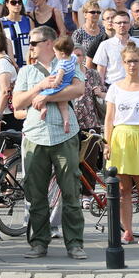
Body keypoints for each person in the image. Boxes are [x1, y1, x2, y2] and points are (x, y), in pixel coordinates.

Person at [13, 25, 86, 259]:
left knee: (71, 192)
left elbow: (78, 90)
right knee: (36, 194)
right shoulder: (26, 71)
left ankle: (74, 243)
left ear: (48, 43)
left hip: (64, 135)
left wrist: (47, 97)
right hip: (35, 136)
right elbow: (18, 103)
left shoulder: (68, 63)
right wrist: (40, 87)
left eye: (33, 43)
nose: (30, 47)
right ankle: (39, 242)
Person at [103, 42, 139, 245]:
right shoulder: (115, 88)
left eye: (135, 61)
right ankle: (127, 230)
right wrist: (107, 143)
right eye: (128, 61)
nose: (132, 65)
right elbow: (109, 118)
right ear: (122, 63)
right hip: (120, 138)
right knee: (123, 190)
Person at [93, 10, 139, 84]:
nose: (122, 25)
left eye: (125, 22)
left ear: (130, 24)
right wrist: (102, 88)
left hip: (136, 86)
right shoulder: (105, 45)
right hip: (113, 86)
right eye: (119, 23)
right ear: (113, 25)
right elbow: (101, 70)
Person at [36, 36, 77, 133]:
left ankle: (43, 108)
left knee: (41, 95)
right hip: (67, 84)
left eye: (56, 52)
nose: (55, 55)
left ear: (62, 54)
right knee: (63, 105)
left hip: (60, 85)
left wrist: (54, 83)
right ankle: (66, 121)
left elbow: (59, 76)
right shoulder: (73, 58)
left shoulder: (62, 64)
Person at [2, 0, 34, 67]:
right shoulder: (1, 22)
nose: (17, 5)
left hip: (28, 63)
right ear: (7, 4)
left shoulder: (28, 20)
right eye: (13, 2)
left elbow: (33, 41)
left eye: (19, 2)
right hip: (9, 64)